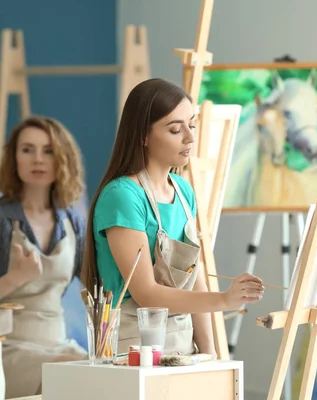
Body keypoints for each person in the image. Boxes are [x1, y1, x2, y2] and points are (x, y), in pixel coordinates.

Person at [81, 78, 265, 358]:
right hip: (130, 352)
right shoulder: (122, 196)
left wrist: (209, 355)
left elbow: (195, 280)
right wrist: (224, 300)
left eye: (192, 125)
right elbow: (147, 294)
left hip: (181, 348)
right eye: (175, 129)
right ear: (143, 135)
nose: (190, 137)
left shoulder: (183, 191)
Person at [0, 115, 88, 398]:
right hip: (4, 349)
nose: (38, 160)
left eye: (48, 151)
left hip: (59, 345)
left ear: (63, 159)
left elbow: (97, 287)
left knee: (97, 372)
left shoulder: (73, 221)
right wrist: (15, 278)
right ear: (14, 158)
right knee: (71, 375)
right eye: (27, 150)